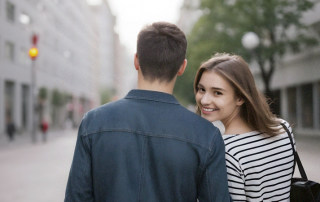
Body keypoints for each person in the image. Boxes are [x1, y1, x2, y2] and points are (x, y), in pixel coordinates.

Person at [65, 22, 231, 202]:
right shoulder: (207, 135)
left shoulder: (94, 122)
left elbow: (77, 197)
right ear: (182, 67)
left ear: (136, 61)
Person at [194, 53, 295, 201]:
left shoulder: (225, 151)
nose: (204, 100)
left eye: (217, 93)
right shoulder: (283, 129)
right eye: (201, 89)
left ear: (240, 98)